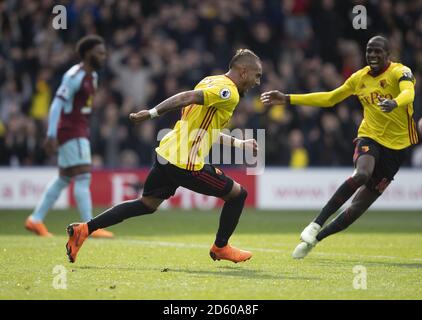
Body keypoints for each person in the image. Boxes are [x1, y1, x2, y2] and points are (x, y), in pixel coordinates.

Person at [65, 49, 262, 263]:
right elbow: (186, 96)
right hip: (185, 164)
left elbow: (205, 128)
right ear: (243, 71)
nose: (257, 82)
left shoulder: (210, 80)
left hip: (167, 154)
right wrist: (152, 113)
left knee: (146, 204)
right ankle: (221, 247)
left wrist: (238, 142)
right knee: (238, 195)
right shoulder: (228, 92)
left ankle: (84, 229)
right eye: (256, 75)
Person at [261, 35, 418, 259]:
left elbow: (409, 93)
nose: (372, 55)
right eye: (369, 51)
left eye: (377, 52)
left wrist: (395, 102)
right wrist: (287, 98)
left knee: (356, 209)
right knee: (362, 174)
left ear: (388, 55)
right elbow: (330, 98)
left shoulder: (400, 72)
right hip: (370, 137)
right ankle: (315, 223)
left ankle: (316, 238)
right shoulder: (359, 78)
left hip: (397, 148)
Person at [25, 35, 113, 238]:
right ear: (88, 53)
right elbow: (57, 103)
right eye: (100, 53)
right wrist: (51, 134)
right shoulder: (74, 76)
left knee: (63, 179)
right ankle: (90, 227)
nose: (104, 56)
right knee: (83, 177)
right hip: (72, 131)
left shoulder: (93, 77)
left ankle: (35, 219)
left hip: (79, 129)